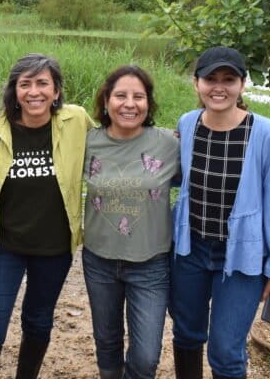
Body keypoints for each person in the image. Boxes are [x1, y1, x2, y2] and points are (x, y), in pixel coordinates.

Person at [0, 53, 95, 379]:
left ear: (56, 91)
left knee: (38, 321)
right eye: (25, 84)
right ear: (14, 90)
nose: (34, 92)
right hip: (3, 246)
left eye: (42, 83)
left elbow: (112, 145)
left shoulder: (76, 121)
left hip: (54, 248)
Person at [170, 46, 270, 379]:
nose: (219, 87)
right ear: (196, 83)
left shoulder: (266, 134)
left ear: (242, 84)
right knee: (186, 335)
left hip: (242, 257)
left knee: (225, 352)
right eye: (210, 79)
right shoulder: (188, 124)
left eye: (229, 79)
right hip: (190, 250)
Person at [82, 65, 180, 379]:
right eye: (120, 95)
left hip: (151, 263)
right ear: (106, 101)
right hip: (99, 259)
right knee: (107, 340)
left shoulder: (168, 143)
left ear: (148, 104)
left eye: (138, 96)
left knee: (147, 355)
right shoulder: (86, 143)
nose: (129, 104)